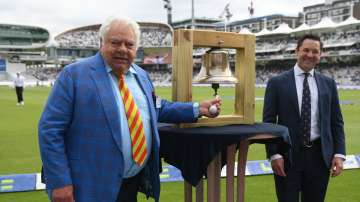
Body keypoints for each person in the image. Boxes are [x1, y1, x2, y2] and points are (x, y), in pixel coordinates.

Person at [38, 16, 221, 202]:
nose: (123, 49)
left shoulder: (141, 76)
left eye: (129, 44)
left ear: (136, 48)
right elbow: (50, 130)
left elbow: (156, 108)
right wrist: (59, 182)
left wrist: (198, 108)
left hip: (131, 182)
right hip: (89, 184)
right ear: (101, 43)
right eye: (115, 43)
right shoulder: (74, 75)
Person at [263, 34, 346, 202]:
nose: (310, 55)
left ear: (320, 55)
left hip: (320, 157)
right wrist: (274, 155)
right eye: (306, 50)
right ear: (296, 51)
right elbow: (269, 122)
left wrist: (339, 153)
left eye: (315, 51)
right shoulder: (277, 83)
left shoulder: (328, 83)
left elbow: (336, 121)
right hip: (287, 156)